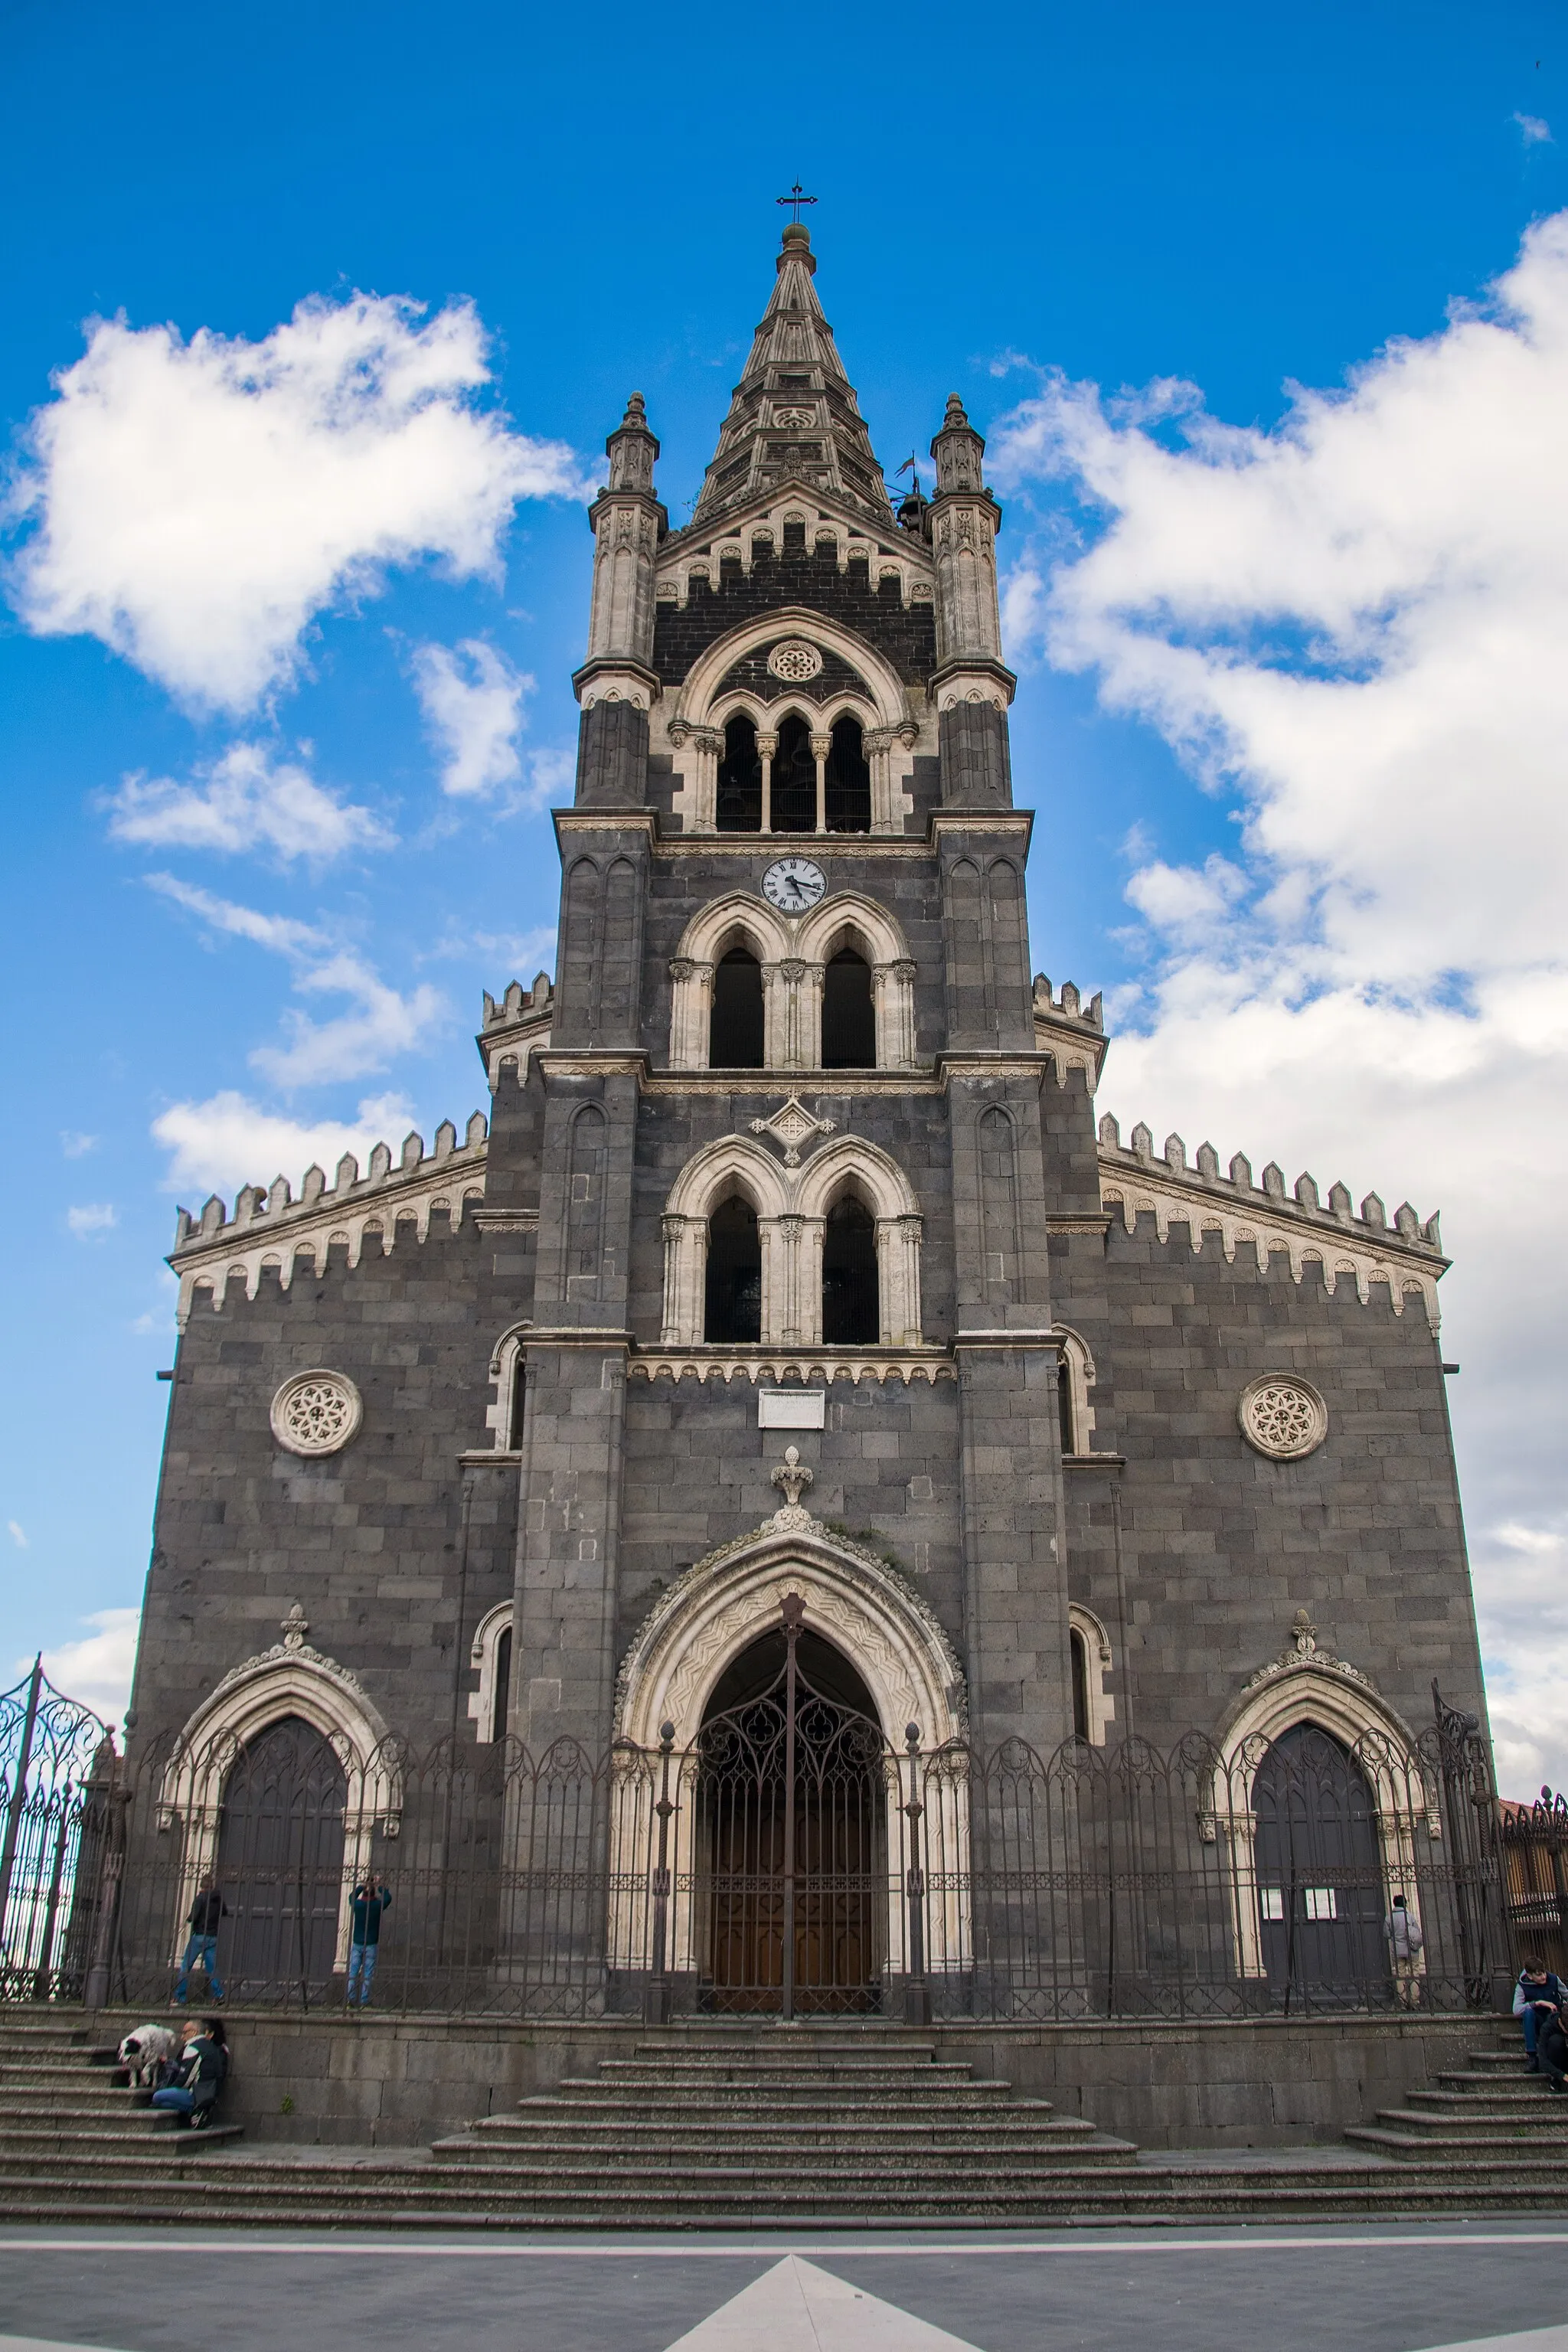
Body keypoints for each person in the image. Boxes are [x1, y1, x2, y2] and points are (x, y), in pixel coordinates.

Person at [149, 2017, 229, 2129]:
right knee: (161, 2104)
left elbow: (185, 2077)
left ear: (194, 2032)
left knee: (157, 2097)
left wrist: (171, 2088)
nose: (182, 2037)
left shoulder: (193, 2047)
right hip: (210, 2094)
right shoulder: (212, 2046)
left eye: (184, 2033)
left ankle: (196, 2110)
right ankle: (199, 2112)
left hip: (196, 2095)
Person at [173, 1877, 227, 2004]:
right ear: (212, 1886)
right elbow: (225, 1912)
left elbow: (194, 1916)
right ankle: (219, 1995)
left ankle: (180, 1996)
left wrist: (189, 1918)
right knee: (212, 1968)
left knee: (186, 1966)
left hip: (199, 1936)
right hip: (212, 1937)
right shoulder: (218, 1899)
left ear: (202, 1887)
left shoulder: (200, 1898)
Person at [1512, 1955, 1566, 2069]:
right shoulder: (1522, 1986)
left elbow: (1566, 1994)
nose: (1544, 1977)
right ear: (1530, 1976)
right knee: (1528, 2012)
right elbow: (1516, 2009)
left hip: (1554, 2019)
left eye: (1544, 1973)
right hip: (1537, 2021)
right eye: (1539, 1975)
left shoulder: (1554, 1979)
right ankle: (1532, 2056)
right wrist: (1538, 2003)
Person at [346, 1873, 392, 2007]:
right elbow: (388, 1898)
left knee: (353, 1972)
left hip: (357, 1943)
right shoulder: (377, 1906)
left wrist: (363, 1885)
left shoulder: (358, 1906)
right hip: (371, 1943)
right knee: (368, 1973)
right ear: (374, 1895)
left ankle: (351, 1999)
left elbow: (351, 1897)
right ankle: (365, 2000)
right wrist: (379, 1887)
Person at [1386, 1895, 1425, 2006]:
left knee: (1400, 1975)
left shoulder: (1389, 1918)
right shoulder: (1409, 1916)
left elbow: (1387, 1934)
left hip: (1398, 1951)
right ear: (1405, 1904)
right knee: (1414, 1974)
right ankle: (1414, 2001)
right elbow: (1416, 1932)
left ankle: (1403, 2001)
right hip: (1412, 1950)